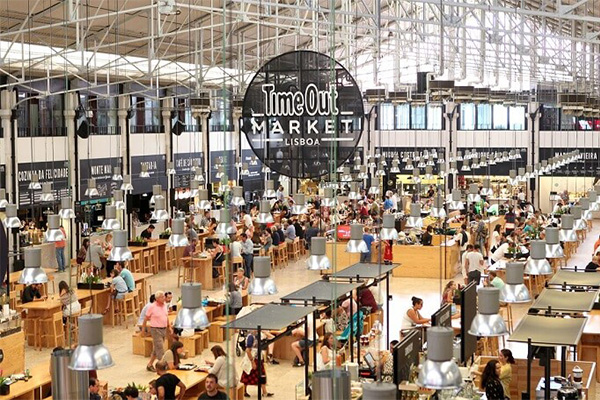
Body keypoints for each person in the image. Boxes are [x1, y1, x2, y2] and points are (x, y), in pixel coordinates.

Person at [143, 291, 171, 372]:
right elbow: (146, 318)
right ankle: (162, 367)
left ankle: (150, 364)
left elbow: (166, 316)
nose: (164, 298)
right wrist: (143, 331)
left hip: (163, 329)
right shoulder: (152, 307)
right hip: (155, 330)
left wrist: (169, 327)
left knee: (156, 348)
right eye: (162, 297)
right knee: (160, 349)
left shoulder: (165, 305)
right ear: (157, 299)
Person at [240, 330, 274, 398]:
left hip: (259, 358)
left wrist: (265, 332)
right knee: (247, 375)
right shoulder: (251, 337)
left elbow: (272, 337)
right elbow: (248, 350)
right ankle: (244, 391)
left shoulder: (259, 334)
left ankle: (264, 392)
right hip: (253, 359)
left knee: (262, 375)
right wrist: (252, 362)